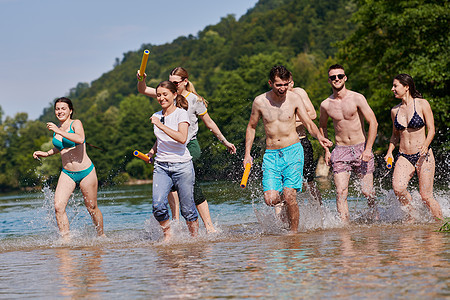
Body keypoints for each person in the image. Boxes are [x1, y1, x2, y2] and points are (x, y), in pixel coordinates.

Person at [137, 67, 236, 233]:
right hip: (168, 148)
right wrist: (141, 79)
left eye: (176, 83)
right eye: (171, 83)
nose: (173, 86)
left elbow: (209, 123)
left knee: (190, 186)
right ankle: (176, 223)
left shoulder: (194, 100)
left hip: (189, 146)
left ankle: (209, 227)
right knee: (170, 185)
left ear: (185, 82)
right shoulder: (165, 94)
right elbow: (143, 89)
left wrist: (224, 141)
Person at [244, 65, 332, 233]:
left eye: (285, 84)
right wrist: (247, 154)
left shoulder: (294, 98)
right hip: (271, 154)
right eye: (279, 85)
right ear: (270, 83)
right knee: (270, 199)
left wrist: (320, 138)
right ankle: (287, 213)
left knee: (290, 194)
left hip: (293, 150)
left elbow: (308, 122)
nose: (283, 88)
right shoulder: (260, 101)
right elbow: (251, 127)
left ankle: (293, 234)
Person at [32, 97, 104, 238]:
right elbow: (61, 147)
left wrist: (59, 132)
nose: (60, 111)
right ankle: (66, 241)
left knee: (92, 208)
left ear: (70, 111)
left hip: (86, 172)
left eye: (63, 108)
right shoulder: (58, 129)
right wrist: (46, 153)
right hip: (67, 173)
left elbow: (80, 139)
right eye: (57, 109)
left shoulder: (75, 123)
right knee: (58, 207)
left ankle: (101, 236)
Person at [319, 64, 378, 223]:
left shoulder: (357, 98)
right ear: (329, 80)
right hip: (340, 150)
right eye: (333, 77)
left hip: (361, 148)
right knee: (341, 192)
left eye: (339, 76)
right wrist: (326, 150)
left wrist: (368, 149)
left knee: (367, 191)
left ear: (345, 78)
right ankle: (345, 228)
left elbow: (373, 122)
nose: (336, 79)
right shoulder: (326, 104)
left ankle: (375, 216)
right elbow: (322, 126)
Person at [384, 74, 442, 221]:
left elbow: (431, 129)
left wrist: (426, 145)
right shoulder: (394, 111)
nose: (392, 89)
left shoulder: (422, 104)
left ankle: (440, 224)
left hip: (424, 154)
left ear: (406, 86)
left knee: (426, 196)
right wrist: (390, 151)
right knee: (398, 188)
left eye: (395, 86)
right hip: (404, 155)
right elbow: (395, 136)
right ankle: (413, 215)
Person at [146, 81, 199, 240]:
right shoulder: (156, 115)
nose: (161, 98)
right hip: (161, 166)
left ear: (174, 95)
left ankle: (195, 240)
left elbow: (182, 138)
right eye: (158, 95)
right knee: (158, 206)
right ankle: (168, 237)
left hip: (182, 166)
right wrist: (152, 150)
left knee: (187, 209)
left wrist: (160, 125)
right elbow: (160, 139)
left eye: (164, 94)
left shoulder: (181, 114)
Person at [289, 79, 323, 205]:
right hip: (284, 146)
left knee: (309, 182)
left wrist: (288, 121)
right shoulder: (275, 98)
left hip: (301, 141)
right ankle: (285, 218)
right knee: (285, 185)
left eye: (287, 83)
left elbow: (313, 114)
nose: (284, 87)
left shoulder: (299, 93)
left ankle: (321, 212)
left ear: (291, 83)